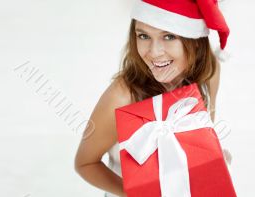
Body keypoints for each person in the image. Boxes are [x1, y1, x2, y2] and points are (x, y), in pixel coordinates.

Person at [74, 0, 232, 196]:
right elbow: (86, 163)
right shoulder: (122, 96)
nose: (154, 52)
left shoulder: (209, 73)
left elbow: (203, 132)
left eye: (169, 36)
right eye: (143, 36)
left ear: (195, 39)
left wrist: (212, 162)